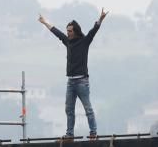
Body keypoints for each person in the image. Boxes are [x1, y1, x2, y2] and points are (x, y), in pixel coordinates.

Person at [38, 9, 109, 138]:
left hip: (82, 81)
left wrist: (101, 19)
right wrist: (44, 22)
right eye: (67, 31)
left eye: (70, 31)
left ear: (75, 31)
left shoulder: (84, 41)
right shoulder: (67, 41)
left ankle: (93, 132)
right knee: (69, 110)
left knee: (88, 109)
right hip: (70, 82)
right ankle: (69, 134)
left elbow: (94, 31)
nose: (68, 33)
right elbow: (56, 32)